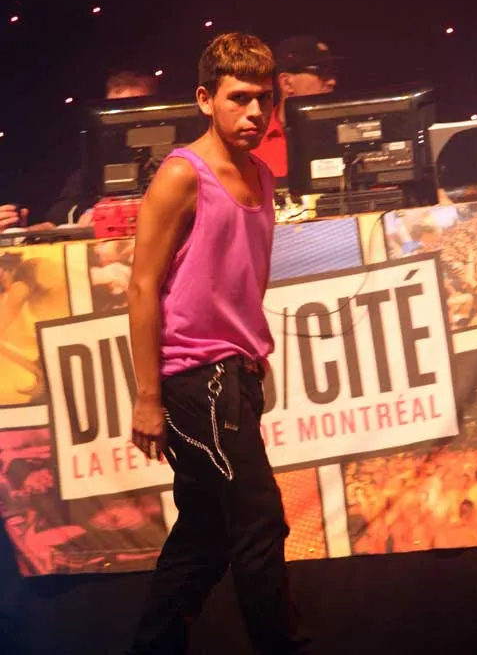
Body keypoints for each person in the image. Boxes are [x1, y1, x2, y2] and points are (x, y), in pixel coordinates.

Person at [127, 32, 313, 655]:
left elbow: (241, 279)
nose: (255, 113)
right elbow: (142, 286)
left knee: (205, 535)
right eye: (239, 98)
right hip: (195, 380)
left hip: (234, 374)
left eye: (264, 99)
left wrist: (252, 351)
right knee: (258, 524)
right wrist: (147, 398)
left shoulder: (261, 174)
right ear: (206, 99)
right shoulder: (183, 174)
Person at [44, 71, 159, 227]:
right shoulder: (91, 172)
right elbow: (55, 222)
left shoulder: (179, 165)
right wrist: (19, 231)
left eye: (134, 109)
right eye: (115, 111)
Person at [252, 35, 337, 181]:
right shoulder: (252, 143)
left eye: (332, 72)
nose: (332, 81)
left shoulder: (344, 136)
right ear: (287, 83)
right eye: (321, 73)